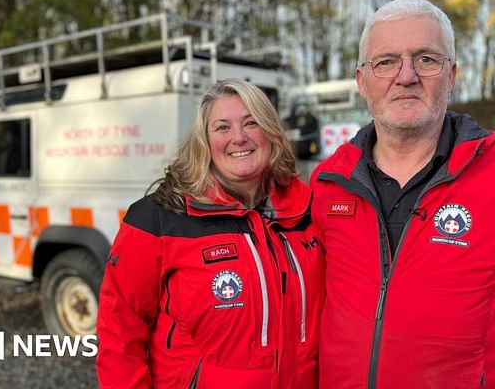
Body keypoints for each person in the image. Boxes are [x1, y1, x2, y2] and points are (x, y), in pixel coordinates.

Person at [310, 0, 495, 388]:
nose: (406, 75)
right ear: (362, 80)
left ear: (453, 75)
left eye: (427, 59)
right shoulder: (327, 182)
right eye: (386, 61)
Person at [96, 79, 324, 388]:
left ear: (271, 132)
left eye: (251, 123)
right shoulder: (159, 219)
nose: (239, 138)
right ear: (204, 140)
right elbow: (119, 332)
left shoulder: (307, 212)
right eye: (222, 128)